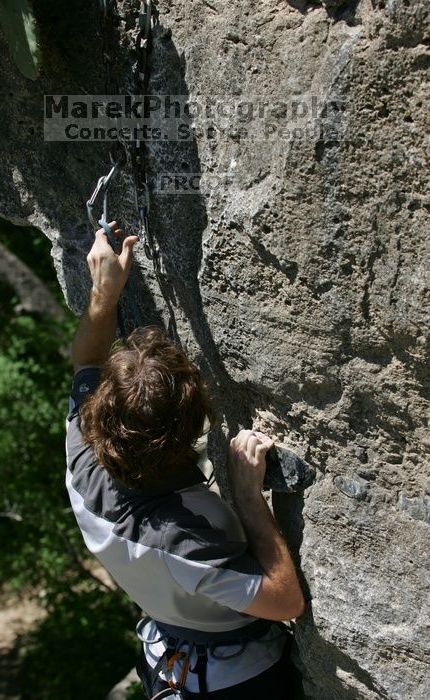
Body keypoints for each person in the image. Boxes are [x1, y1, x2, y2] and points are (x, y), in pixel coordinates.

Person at [66, 223, 305, 699]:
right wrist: (247, 498)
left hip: (166, 658)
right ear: (194, 426)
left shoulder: (83, 464)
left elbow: (85, 362)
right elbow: (284, 601)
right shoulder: (188, 535)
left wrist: (103, 294)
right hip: (236, 682)